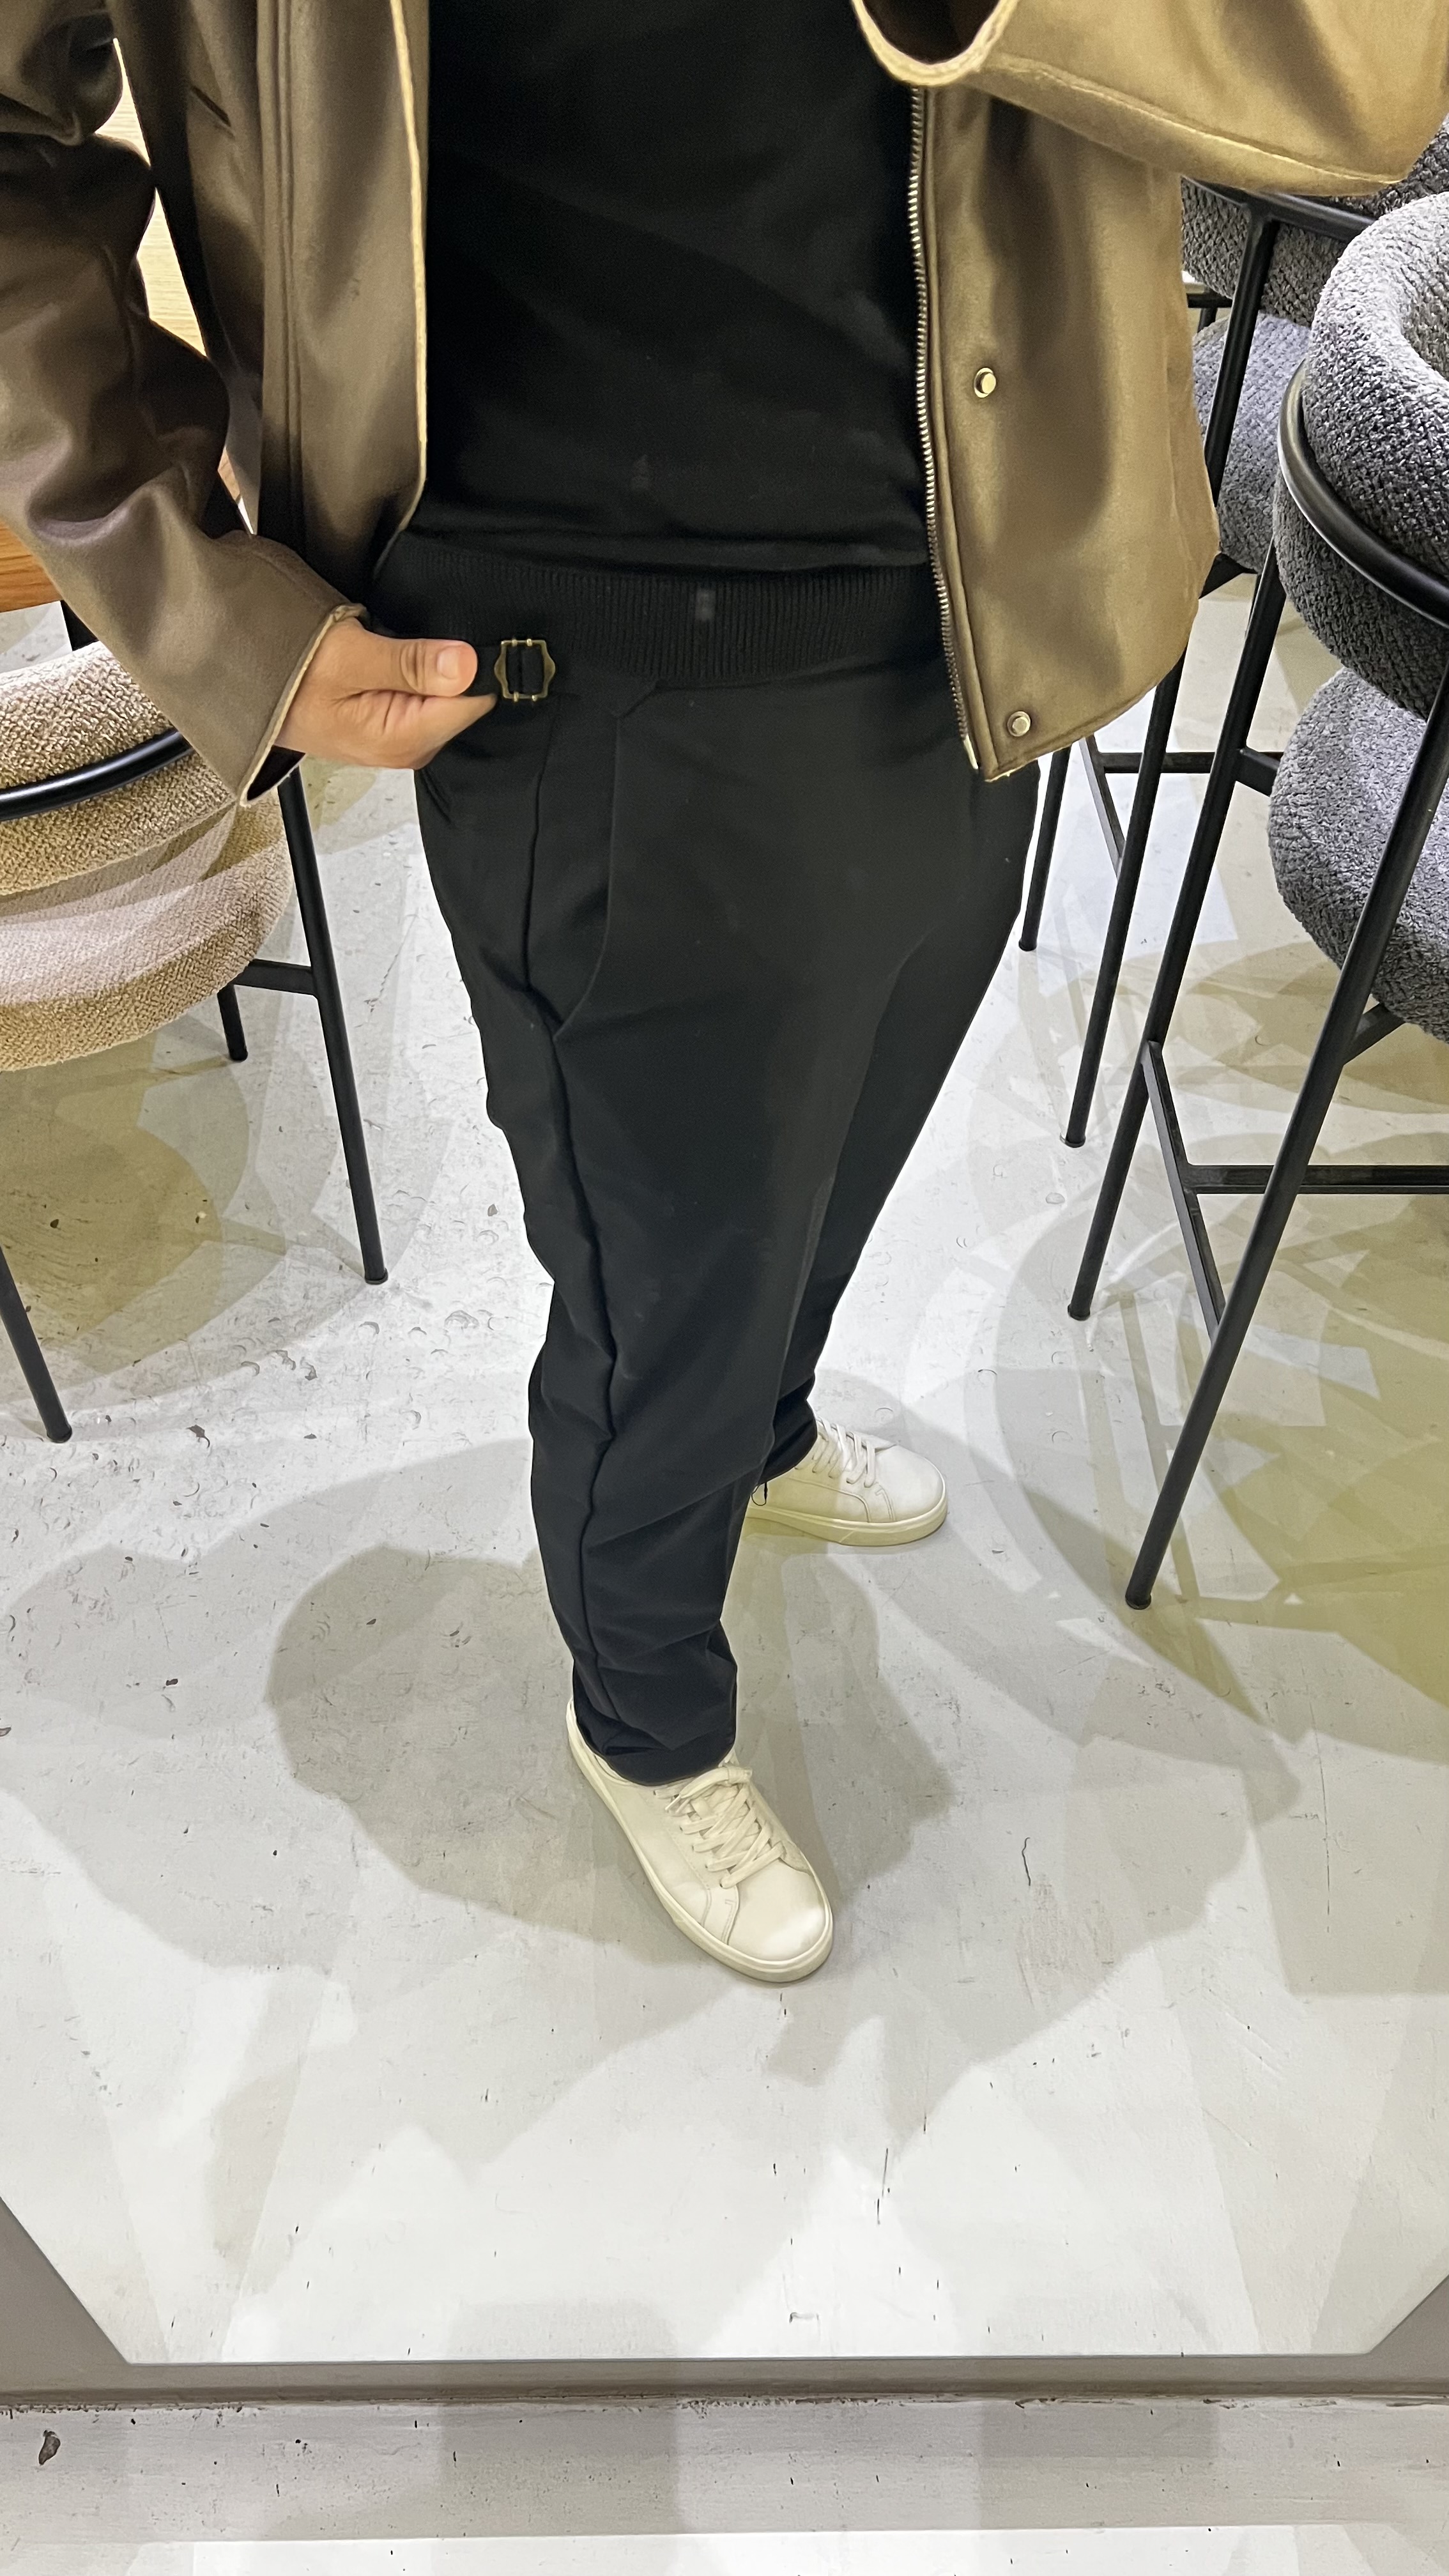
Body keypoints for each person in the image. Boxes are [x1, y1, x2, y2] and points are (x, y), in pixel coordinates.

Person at [2, 4, 1443, 1984]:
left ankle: (759, 1434)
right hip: (576, 655)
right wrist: (188, 581)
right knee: (664, 1287)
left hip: (986, 585)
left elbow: (1360, 81)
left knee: (845, 1138)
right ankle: (646, 1714)